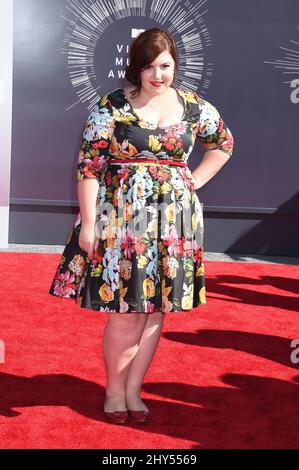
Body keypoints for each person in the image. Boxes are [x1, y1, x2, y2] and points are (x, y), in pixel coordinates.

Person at [49, 28, 234, 425]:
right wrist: (87, 225)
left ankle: (135, 390)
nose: (158, 75)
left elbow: (222, 144)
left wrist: (194, 180)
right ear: (135, 67)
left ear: (175, 65)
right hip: (120, 220)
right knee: (125, 312)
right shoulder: (111, 106)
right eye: (149, 66)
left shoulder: (192, 105)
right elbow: (89, 166)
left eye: (165, 66)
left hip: (173, 223)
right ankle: (114, 391)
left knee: (155, 311)